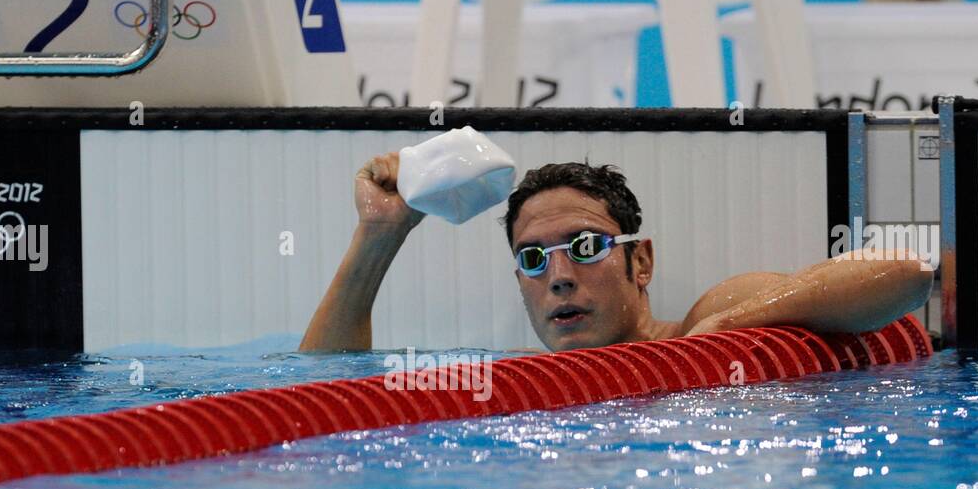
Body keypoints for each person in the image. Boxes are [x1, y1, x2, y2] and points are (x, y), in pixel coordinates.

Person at [299, 153, 934, 353]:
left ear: (642, 261)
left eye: (585, 246)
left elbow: (908, 274)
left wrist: (730, 327)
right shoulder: (521, 390)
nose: (560, 278)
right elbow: (319, 391)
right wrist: (380, 235)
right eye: (533, 259)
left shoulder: (705, 324)